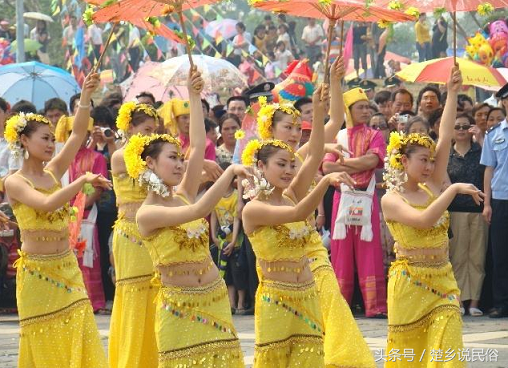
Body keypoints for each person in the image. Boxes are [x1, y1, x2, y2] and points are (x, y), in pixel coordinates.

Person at [256, 58, 375, 367]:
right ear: (270, 129)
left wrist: (334, 84)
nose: (297, 133)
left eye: (299, 127)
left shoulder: (298, 156)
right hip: (282, 250)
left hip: (309, 243)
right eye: (289, 127)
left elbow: (333, 124)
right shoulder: (266, 167)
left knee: (330, 301)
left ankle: (339, 358)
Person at [133, 67, 245, 366]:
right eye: (172, 158)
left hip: (214, 298)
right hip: (179, 308)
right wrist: (231, 171)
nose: (181, 165)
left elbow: (197, 146)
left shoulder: (182, 193)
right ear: (150, 163)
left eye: (179, 159)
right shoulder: (147, 214)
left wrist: (194, 97)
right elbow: (197, 211)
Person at [5, 73, 109, 367]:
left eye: (53, 138)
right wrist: (82, 181)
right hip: (37, 275)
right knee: (45, 339)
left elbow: (76, 136)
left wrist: (86, 97)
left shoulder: (51, 172)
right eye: (45, 138)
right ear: (24, 140)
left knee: (79, 324)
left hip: (66, 268)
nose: (52, 144)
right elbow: (48, 203)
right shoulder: (16, 182)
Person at [381, 67, 472, 366]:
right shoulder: (391, 199)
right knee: (413, 356)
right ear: (404, 161)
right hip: (409, 283)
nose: (431, 166)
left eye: (433, 161)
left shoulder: (432, 186)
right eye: (423, 160)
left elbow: (444, 135)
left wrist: (453, 91)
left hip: (443, 280)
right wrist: (454, 188)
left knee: (449, 346)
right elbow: (424, 220)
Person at [241, 135, 356, 367]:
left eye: (292, 165)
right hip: (276, 300)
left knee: (311, 358)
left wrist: (317, 108)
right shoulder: (254, 209)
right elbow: (298, 214)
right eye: (281, 164)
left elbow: (314, 155)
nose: (288, 171)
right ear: (261, 166)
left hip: (307, 294)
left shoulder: (290, 197)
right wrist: (324, 182)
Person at [322, 86, 388, 319]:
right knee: (341, 252)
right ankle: (341, 306)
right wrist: (358, 163)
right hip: (342, 196)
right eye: (360, 107)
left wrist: (346, 162)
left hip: (366, 196)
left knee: (369, 251)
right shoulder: (337, 136)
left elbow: (373, 160)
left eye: (367, 107)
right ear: (348, 110)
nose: (365, 111)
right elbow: (327, 167)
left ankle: (375, 306)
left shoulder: (374, 134)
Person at [108, 101, 160, 367]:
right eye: (146, 129)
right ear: (129, 128)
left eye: (154, 131)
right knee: (135, 296)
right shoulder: (121, 156)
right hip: (130, 234)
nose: (151, 135)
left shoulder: (152, 157)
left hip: (154, 232)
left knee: (156, 293)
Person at [447, 113, 487, 317]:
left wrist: (480, 138)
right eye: (457, 127)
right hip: (455, 211)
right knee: (458, 257)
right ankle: (460, 299)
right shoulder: (446, 154)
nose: (461, 130)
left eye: (465, 126)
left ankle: (475, 301)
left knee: (477, 258)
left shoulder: (480, 151)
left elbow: (490, 169)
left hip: (479, 211)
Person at [67, 117, 108, 313]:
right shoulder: (61, 160)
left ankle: (91, 300)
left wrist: (78, 207)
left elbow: (98, 189)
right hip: (62, 215)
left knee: (87, 258)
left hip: (86, 215)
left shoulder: (96, 158)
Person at [481, 83, 508, 318]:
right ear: (504, 103)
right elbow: (489, 169)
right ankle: (501, 302)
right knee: (500, 253)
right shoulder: (495, 133)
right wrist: (487, 203)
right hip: (500, 199)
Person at [210, 162, 248, 314]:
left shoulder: (235, 196)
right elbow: (213, 215)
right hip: (222, 242)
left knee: (238, 272)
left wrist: (233, 242)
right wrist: (213, 236)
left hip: (235, 242)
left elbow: (237, 218)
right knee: (227, 275)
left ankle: (240, 303)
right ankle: (231, 303)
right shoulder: (216, 196)